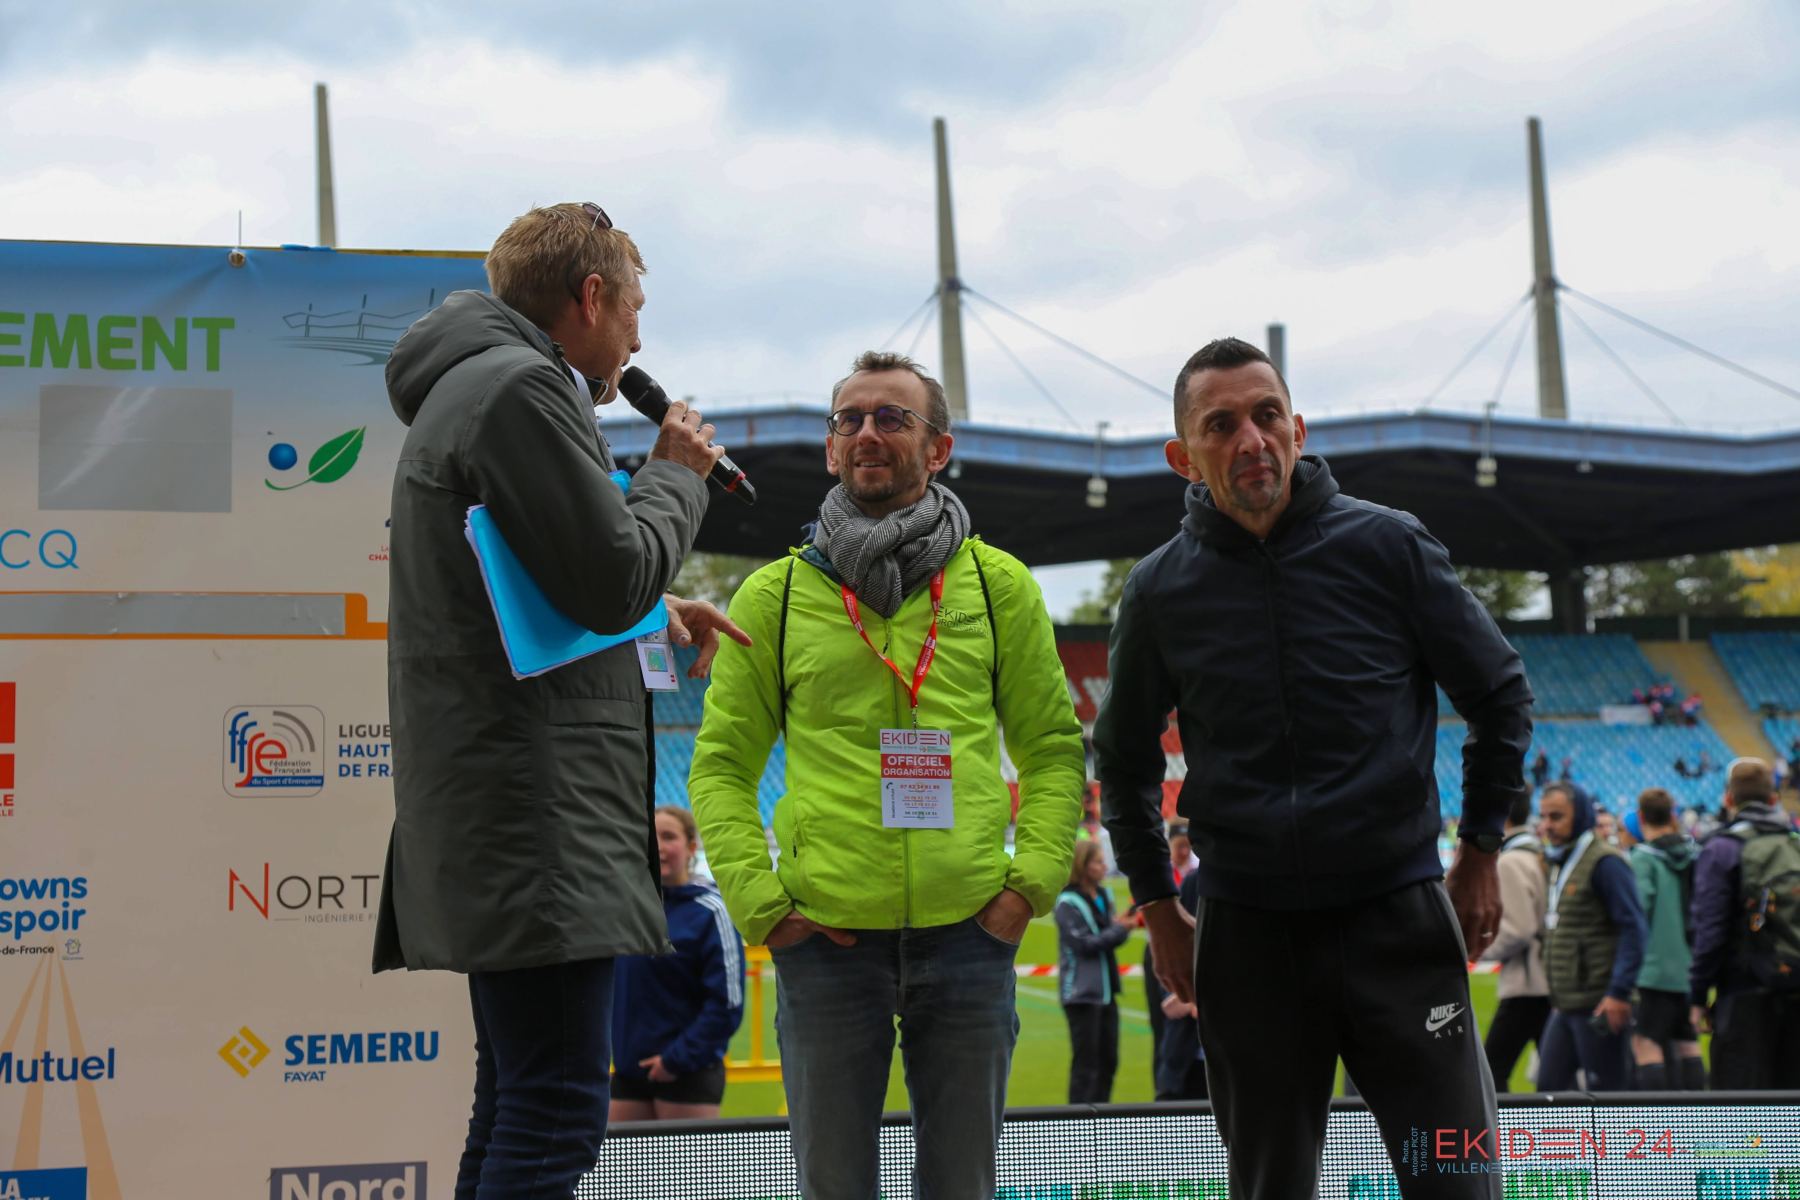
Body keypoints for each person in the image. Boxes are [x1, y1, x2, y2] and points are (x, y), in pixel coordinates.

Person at [1094, 336, 1533, 1200]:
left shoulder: (1389, 545)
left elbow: (1500, 694)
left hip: (1397, 920)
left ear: (1297, 429)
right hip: (1249, 939)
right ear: (1184, 456)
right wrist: (1157, 906)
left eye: (1267, 416)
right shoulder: (1158, 590)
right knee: (1271, 1186)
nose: (1251, 439)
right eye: (1222, 425)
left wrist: (1480, 850)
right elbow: (1123, 760)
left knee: (1456, 1178)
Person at [370, 202, 746, 1199]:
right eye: (633, 310)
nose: (637, 340)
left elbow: (531, 586)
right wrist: (676, 477)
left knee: (517, 1100)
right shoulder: (523, 387)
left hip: (509, 803)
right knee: (555, 1114)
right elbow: (608, 580)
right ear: (589, 296)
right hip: (538, 812)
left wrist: (657, 606)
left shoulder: (475, 386)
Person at [689, 351, 1086, 1197]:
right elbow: (720, 765)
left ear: (938, 449)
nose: (867, 432)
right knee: (833, 1185)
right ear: (831, 449)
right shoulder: (775, 597)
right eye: (850, 419)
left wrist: (1027, 890)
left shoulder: (998, 586)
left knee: (962, 1185)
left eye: (893, 417)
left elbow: (1053, 747)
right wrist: (763, 906)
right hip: (826, 943)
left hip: (971, 934)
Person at [610, 807, 746, 1121]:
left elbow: (727, 1003)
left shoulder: (710, 911)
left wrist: (676, 1060)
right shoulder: (625, 909)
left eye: (669, 836)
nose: (658, 845)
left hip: (688, 1073)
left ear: (691, 847)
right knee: (618, 1155)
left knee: (687, 1156)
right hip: (629, 1071)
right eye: (650, 837)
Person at [1688, 757, 1800, 1088]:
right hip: (1795, 988)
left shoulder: (1721, 849)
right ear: (1774, 799)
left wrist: (1697, 995)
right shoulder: (1795, 845)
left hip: (1743, 994)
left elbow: (1710, 931)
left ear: (1728, 798)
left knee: (1741, 1106)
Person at [1535, 783, 1648, 1092]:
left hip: (1599, 1003)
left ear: (1581, 816)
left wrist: (1619, 993)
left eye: (1556, 816)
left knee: (1608, 1096)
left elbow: (1634, 929)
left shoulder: (1605, 863)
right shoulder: (1559, 860)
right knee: (1548, 1093)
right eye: (1543, 816)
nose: (1547, 825)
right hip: (1566, 1004)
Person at [1627, 788, 1703, 1090]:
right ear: (1672, 816)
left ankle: (1655, 1114)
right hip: (1689, 966)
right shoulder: (1693, 854)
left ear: (1641, 817)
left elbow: (1639, 910)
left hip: (1654, 967)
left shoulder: (1643, 859)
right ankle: (1698, 1112)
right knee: (1687, 1040)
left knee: (1645, 1042)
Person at [1055, 839, 1135, 1104]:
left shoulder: (1103, 895)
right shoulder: (1067, 902)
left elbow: (1107, 937)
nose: (1104, 867)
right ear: (1083, 865)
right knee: (1086, 1066)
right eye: (1098, 862)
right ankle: (1078, 1121)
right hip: (1081, 993)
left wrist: (1121, 927)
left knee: (1108, 1062)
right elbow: (1084, 944)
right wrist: (1120, 929)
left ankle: (1102, 1116)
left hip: (1107, 990)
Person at [1479, 793, 1549, 1092]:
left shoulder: (1511, 861)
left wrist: (1478, 951)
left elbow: (1518, 930)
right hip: (1546, 978)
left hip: (1527, 982)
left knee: (1491, 1072)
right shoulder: (1538, 853)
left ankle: (1507, 1125)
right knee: (1556, 1071)